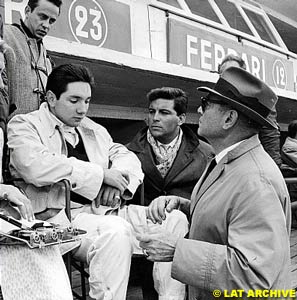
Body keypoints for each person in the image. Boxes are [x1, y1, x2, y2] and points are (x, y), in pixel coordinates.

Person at [7, 63, 188, 300]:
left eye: (87, 101)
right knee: (116, 231)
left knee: (174, 220)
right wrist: (101, 175)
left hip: (103, 212)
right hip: (61, 219)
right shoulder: (24, 125)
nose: (83, 109)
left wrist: (117, 183)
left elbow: (128, 158)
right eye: (74, 100)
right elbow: (36, 166)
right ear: (51, 98)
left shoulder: (93, 129)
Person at [138, 67, 291, 299]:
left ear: (229, 119)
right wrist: (184, 205)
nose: (199, 109)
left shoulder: (255, 181)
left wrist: (176, 250)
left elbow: (254, 275)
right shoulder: (232, 162)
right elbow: (230, 216)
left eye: (206, 103)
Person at [128, 87, 214, 206]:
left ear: (181, 119)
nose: (155, 118)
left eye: (164, 112)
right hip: (141, 222)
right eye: (152, 111)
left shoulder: (207, 154)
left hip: (184, 223)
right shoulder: (127, 153)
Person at [218, 54, 282, 167]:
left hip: (250, 163)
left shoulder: (259, 98)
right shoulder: (216, 99)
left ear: (244, 75)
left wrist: (273, 166)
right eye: (224, 74)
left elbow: (270, 135)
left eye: (233, 73)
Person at [4, 0, 61, 115]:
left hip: (39, 130)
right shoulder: (5, 35)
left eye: (51, 21)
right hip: (9, 129)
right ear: (27, 11)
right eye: (42, 17)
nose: (46, 25)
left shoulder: (46, 58)